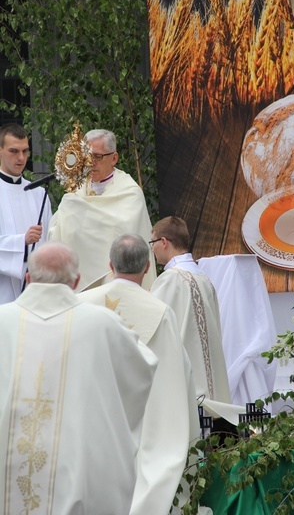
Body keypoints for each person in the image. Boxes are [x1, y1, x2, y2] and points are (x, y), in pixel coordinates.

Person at [0, 241, 157, 515]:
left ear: (28, 278)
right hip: (77, 470)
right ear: (75, 282)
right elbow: (142, 370)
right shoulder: (103, 324)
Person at [79, 234, 200, 515]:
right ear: (147, 268)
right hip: (146, 429)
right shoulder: (160, 312)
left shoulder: (79, 305)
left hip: (91, 426)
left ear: (110, 265)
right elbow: (180, 373)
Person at [150, 216, 246, 426]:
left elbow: (151, 327)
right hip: (212, 384)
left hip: (189, 384)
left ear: (164, 242)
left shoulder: (170, 280)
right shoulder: (204, 278)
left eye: (153, 242)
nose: (153, 249)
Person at [48, 128, 156, 292]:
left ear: (114, 158)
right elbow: (57, 232)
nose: (91, 163)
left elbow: (123, 232)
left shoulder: (130, 192)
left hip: (115, 280)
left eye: (97, 157)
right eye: (87, 156)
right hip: (79, 282)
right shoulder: (76, 192)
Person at [0, 122, 52, 304]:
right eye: (14, 151)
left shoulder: (38, 193)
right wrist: (22, 241)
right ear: (0, 150)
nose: (21, 158)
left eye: (25, 151)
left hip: (35, 290)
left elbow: (49, 241)